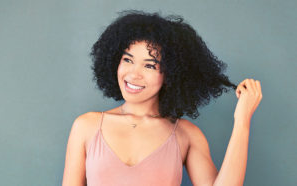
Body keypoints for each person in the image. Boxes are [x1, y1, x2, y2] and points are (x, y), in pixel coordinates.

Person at [62, 10, 263, 186]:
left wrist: (242, 119)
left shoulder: (186, 135)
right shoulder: (86, 126)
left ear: (171, 74)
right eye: (127, 60)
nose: (133, 74)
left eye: (149, 65)